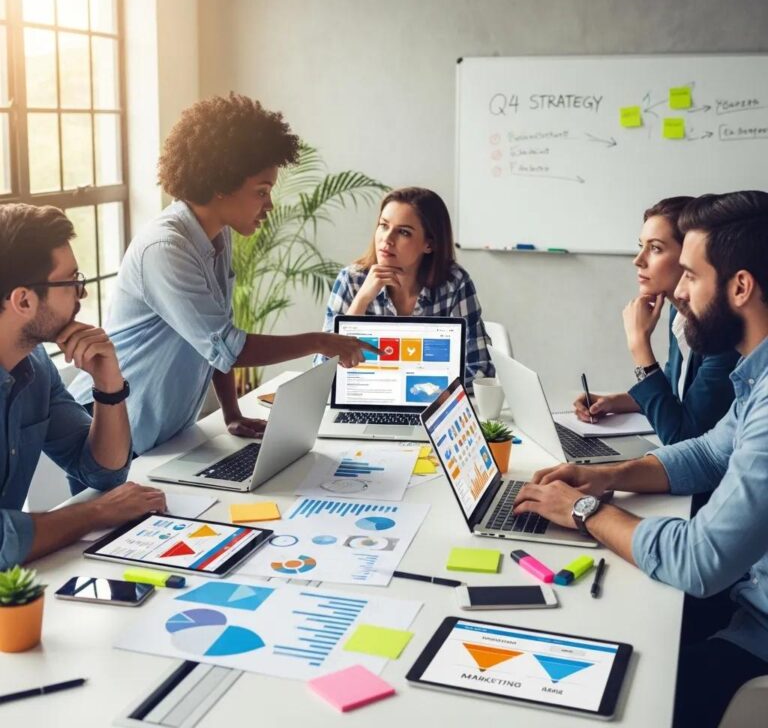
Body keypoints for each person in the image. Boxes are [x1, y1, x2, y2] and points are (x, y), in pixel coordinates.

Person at [513, 191, 768, 728]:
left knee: (596, 691)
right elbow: (707, 450)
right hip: (745, 593)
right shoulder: (756, 373)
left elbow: (699, 561)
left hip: (756, 633)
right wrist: (600, 477)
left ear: (740, 287)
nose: (679, 289)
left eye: (692, 276)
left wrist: (583, 512)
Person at [69, 94, 375, 456]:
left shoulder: (217, 235)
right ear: (220, 183)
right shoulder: (165, 250)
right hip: (112, 426)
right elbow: (229, 346)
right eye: (261, 192)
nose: (269, 205)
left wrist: (232, 412)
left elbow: (216, 338)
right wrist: (323, 342)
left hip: (160, 433)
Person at [0, 204, 166, 570]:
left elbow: (103, 472)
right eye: (72, 282)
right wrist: (95, 514)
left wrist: (109, 384)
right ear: (23, 300)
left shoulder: (35, 366)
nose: (81, 295)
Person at [573, 197, 738, 444]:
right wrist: (618, 402)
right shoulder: (679, 312)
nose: (638, 260)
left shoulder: (723, 334)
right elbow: (674, 391)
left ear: (691, 255)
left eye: (656, 248)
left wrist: (639, 345)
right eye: (641, 246)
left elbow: (680, 436)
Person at [317, 187, 494, 386]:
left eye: (403, 232)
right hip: (368, 402)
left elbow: (480, 368)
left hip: (433, 404)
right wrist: (361, 301)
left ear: (429, 244)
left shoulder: (454, 284)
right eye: (383, 226)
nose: (387, 239)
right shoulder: (352, 280)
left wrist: (421, 391)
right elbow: (320, 373)